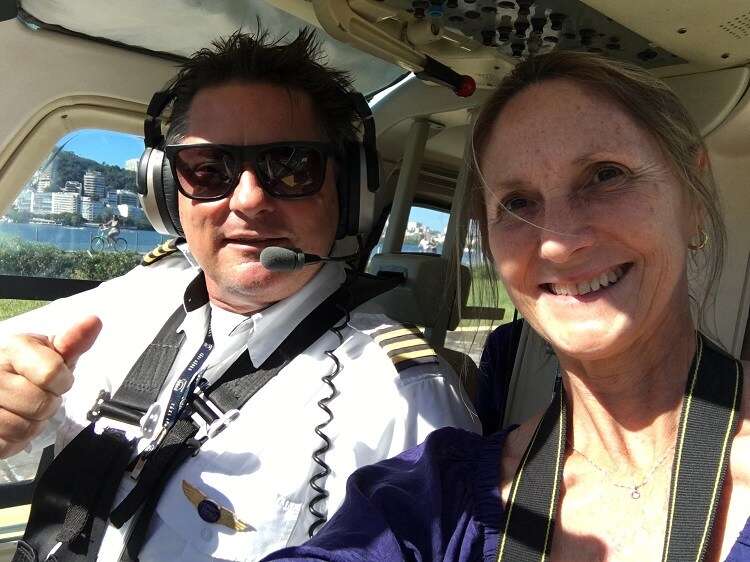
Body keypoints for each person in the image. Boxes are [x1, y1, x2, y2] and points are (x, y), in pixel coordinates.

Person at [0, 29, 478, 562]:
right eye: (208, 170)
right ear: (167, 193)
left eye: (292, 166)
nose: (248, 200)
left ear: (348, 196)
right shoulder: (132, 298)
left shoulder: (405, 401)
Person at [262, 52, 750, 561]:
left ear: (692, 198)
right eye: (517, 204)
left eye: (606, 175)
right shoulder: (439, 498)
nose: (558, 243)